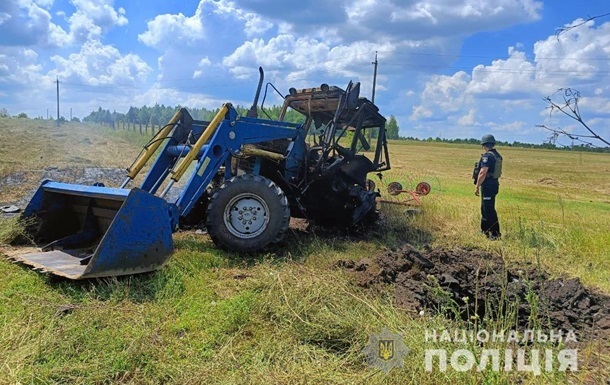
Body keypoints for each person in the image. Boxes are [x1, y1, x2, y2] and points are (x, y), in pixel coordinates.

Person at [474, 134, 502, 239]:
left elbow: (482, 172)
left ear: (484, 145)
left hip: (488, 184)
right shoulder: (497, 155)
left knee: (489, 209)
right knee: (485, 207)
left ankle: (495, 234)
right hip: (494, 183)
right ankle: (485, 230)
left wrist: (477, 185)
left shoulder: (487, 156)